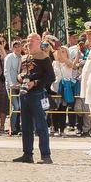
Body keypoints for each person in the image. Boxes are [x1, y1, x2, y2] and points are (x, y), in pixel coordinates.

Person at [13, 32, 59, 164]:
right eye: (27, 40)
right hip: (25, 93)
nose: (28, 43)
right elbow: (22, 72)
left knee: (41, 125)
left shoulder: (44, 58)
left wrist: (35, 83)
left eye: (31, 41)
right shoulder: (24, 57)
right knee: (26, 125)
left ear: (38, 42)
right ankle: (27, 154)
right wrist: (19, 77)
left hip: (37, 94)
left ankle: (45, 155)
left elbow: (51, 77)